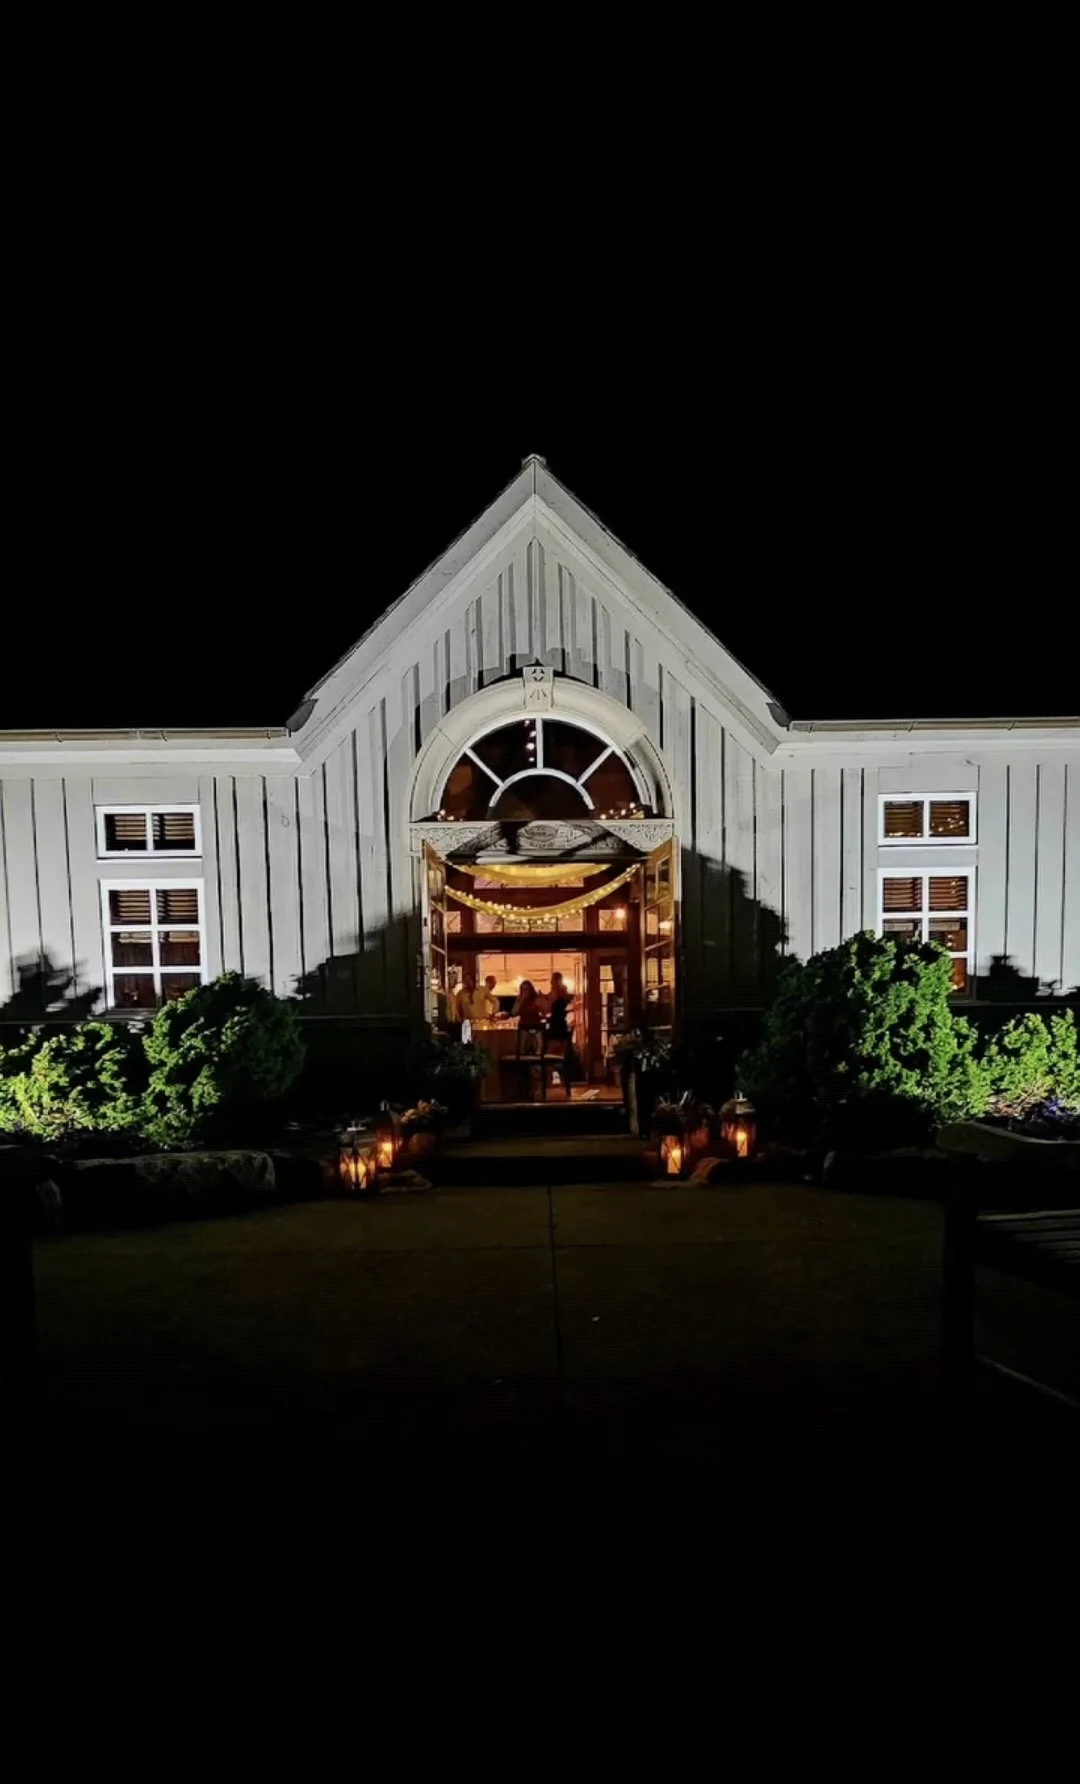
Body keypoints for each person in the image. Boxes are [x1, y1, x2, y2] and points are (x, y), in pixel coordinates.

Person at [514, 979, 544, 1054]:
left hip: (536, 1026)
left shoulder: (535, 999)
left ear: (530, 989)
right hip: (524, 1026)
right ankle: (523, 1056)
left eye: (526, 989)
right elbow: (514, 1012)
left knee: (538, 1044)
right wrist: (521, 1001)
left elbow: (543, 1011)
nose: (525, 992)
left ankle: (538, 1056)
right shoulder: (519, 999)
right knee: (522, 1045)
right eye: (523, 990)